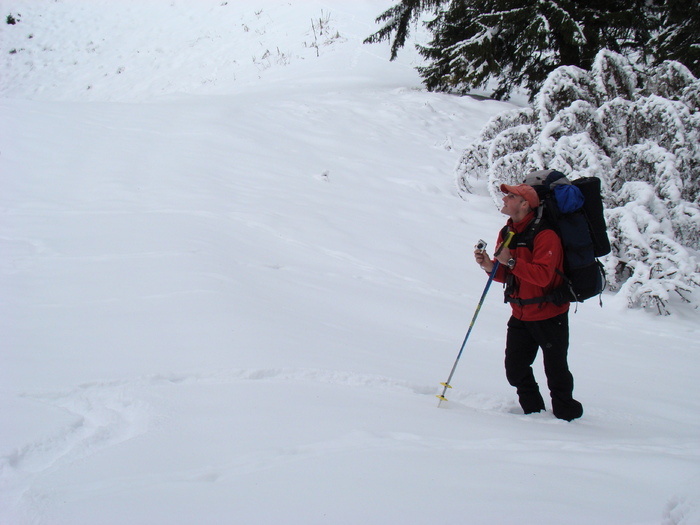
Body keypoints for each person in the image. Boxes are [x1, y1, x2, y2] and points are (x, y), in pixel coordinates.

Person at [474, 182, 583, 421]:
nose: (504, 200)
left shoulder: (546, 234)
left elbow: (543, 276)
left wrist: (511, 262)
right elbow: (508, 275)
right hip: (521, 312)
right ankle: (534, 415)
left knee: (556, 371)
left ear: (525, 204)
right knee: (515, 370)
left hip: (549, 313)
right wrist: (489, 266)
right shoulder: (507, 232)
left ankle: (569, 419)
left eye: (510, 196)